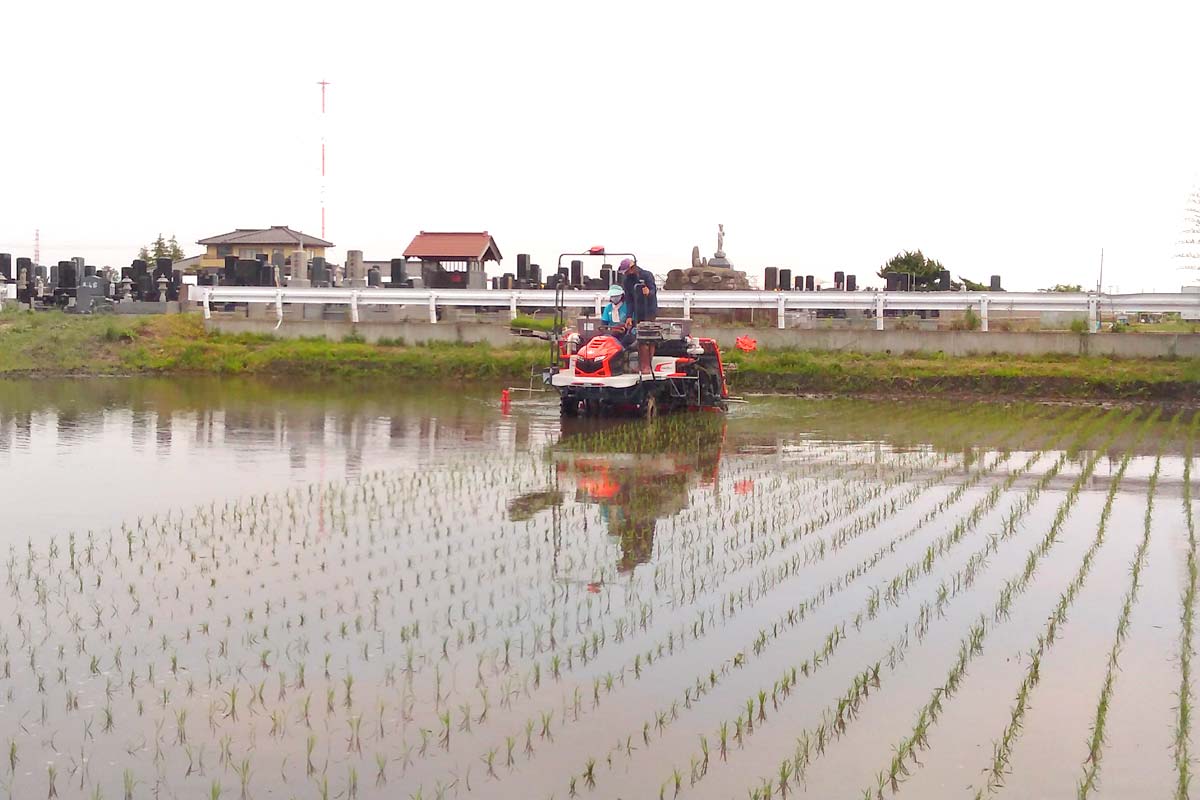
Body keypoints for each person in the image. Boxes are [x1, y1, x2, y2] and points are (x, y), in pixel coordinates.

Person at [618, 257, 657, 375]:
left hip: (649, 309)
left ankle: (647, 365)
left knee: (649, 336)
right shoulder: (627, 281)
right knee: (641, 337)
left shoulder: (646, 275)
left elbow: (654, 290)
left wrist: (648, 292)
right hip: (638, 310)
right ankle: (643, 365)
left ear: (632, 267)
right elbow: (629, 299)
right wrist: (629, 316)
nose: (627, 273)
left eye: (627, 271)